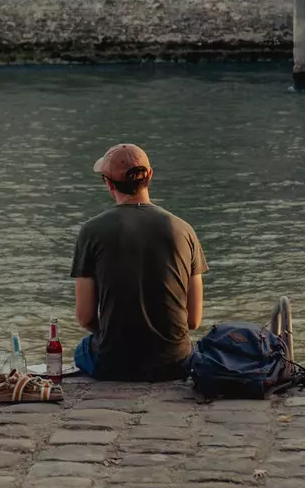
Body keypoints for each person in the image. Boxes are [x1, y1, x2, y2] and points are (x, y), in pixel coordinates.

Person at [70, 143, 205, 381]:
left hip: (113, 364)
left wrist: (113, 334)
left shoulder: (91, 231)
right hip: (175, 363)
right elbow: (194, 319)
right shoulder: (184, 230)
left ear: (108, 183)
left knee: (81, 349)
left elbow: (85, 316)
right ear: (150, 175)